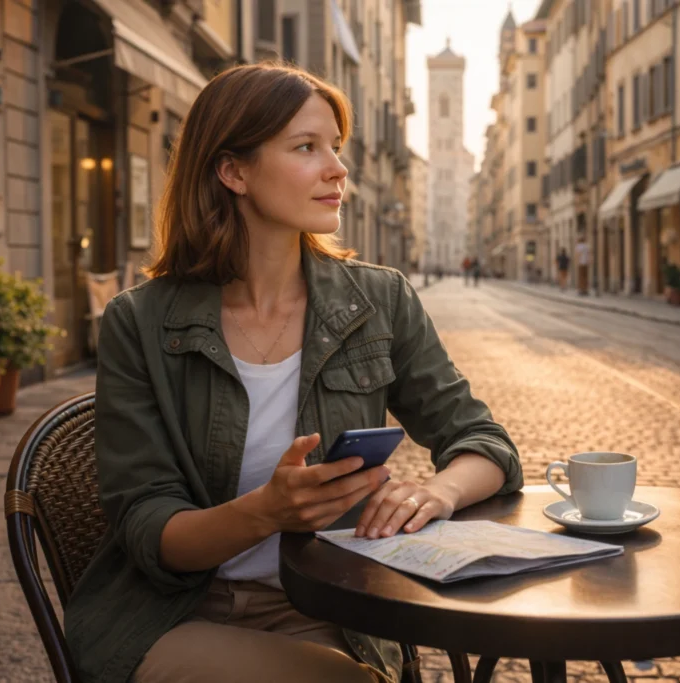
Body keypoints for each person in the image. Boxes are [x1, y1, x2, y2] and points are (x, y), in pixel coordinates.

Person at [63, 63, 523, 683]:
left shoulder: (378, 302)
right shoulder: (138, 323)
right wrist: (267, 512)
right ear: (234, 172)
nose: (338, 169)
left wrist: (439, 491)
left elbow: (484, 443)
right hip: (174, 616)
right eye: (307, 147)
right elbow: (148, 530)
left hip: (330, 607)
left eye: (336, 147)